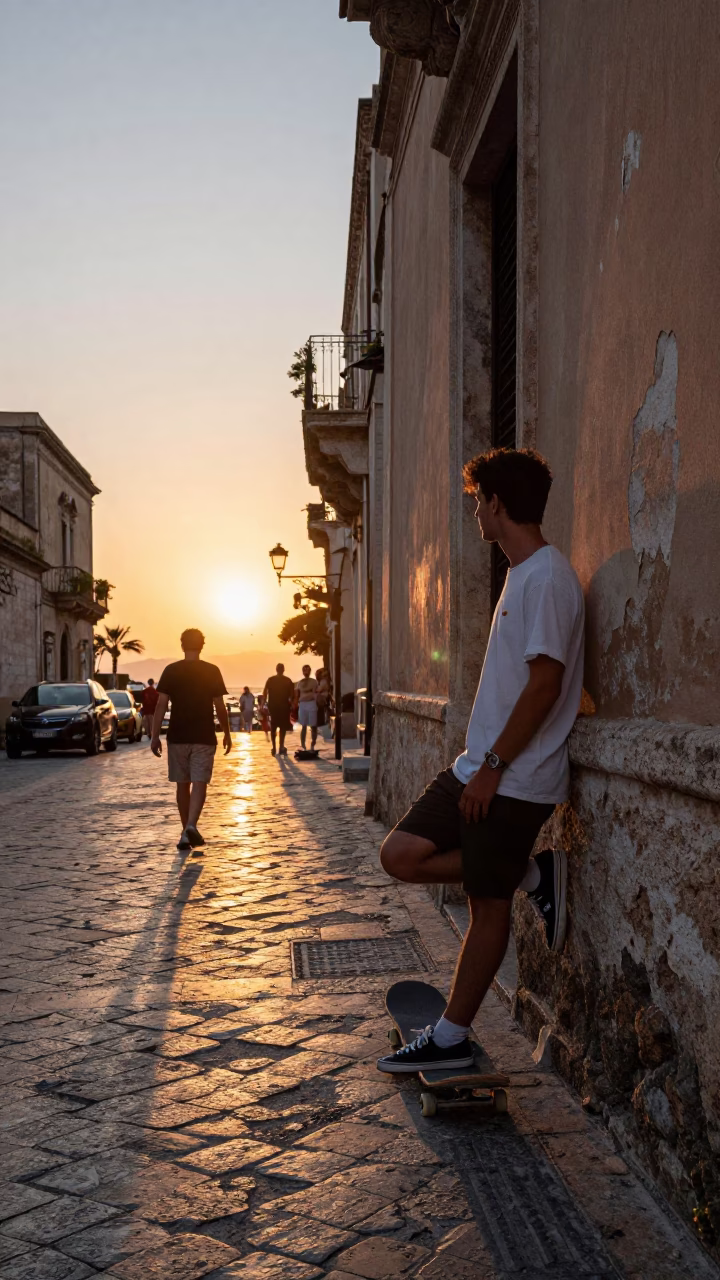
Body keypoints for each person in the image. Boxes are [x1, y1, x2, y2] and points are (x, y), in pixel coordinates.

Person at [376, 448, 584, 1073]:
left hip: (512, 775)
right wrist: (482, 763)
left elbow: (545, 684)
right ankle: (530, 876)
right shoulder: (523, 575)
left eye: (476, 501)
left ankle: (451, 1038)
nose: (474, 512)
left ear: (497, 503)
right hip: (482, 767)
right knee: (401, 854)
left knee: (485, 904)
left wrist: (494, 765)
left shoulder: (546, 577)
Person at [151, 628, 231, 852]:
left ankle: (185, 831)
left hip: (177, 735)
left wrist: (155, 736)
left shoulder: (171, 670)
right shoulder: (212, 671)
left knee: (182, 784)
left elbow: (161, 705)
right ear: (202, 645)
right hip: (204, 735)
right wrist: (226, 732)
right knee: (199, 782)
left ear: (182, 645)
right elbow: (220, 706)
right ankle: (191, 826)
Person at [262, 662, 295, 757]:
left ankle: (274, 747)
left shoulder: (271, 680)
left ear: (276, 670)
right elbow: (292, 695)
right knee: (282, 728)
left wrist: (263, 704)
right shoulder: (288, 680)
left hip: (273, 707)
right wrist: (292, 704)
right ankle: (281, 747)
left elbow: (265, 692)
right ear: (283, 670)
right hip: (284, 707)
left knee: (273, 727)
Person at [295, 664, 319, 751]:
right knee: (303, 725)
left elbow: (316, 692)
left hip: (311, 703)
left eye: (307, 670)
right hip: (302, 704)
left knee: (313, 726)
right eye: (304, 670)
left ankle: (313, 744)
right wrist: (295, 704)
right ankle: (303, 745)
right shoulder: (300, 683)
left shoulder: (314, 682)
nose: (306, 672)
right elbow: (297, 695)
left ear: (310, 671)